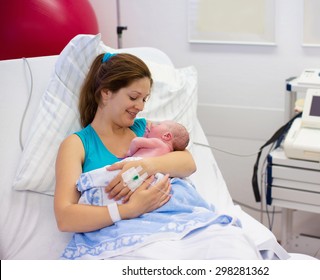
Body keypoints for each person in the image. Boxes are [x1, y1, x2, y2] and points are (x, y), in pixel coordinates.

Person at [54, 52, 260, 260]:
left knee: (232, 245)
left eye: (145, 99)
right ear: (106, 93)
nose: (141, 106)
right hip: (125, 235)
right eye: (134, 97)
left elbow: (188, 163)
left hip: (176, 223)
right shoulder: (78, 144)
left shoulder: (146, 129)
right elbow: (65, 217)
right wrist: (128, 210)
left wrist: (146, 166)